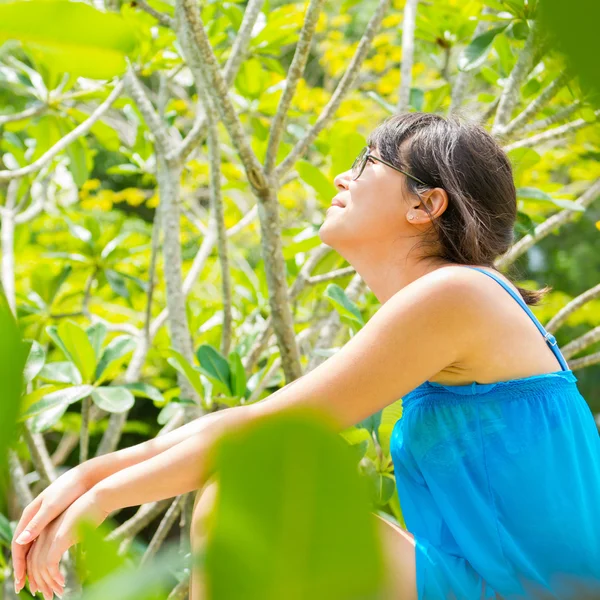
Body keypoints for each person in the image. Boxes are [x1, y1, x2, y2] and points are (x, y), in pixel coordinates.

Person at [11, 112, 600, 600]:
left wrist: (98, 497)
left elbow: (265, 430)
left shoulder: (459, 294)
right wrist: (88, 477)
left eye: (368, 163)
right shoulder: (455, 302)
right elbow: (249, 421)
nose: (343, 178)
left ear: (427, 206)